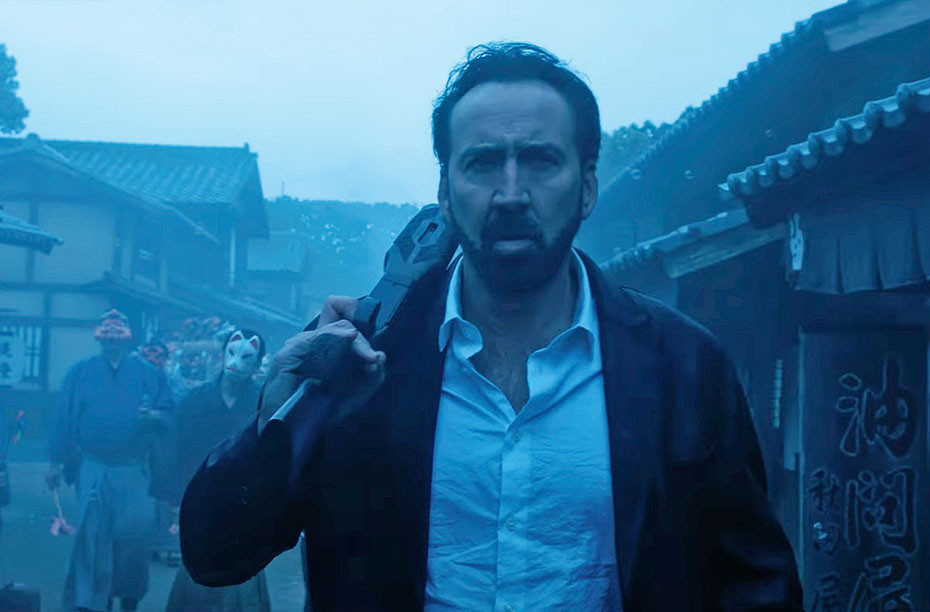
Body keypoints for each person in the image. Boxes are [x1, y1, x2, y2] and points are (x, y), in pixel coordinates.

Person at [181, 42, 803, 611]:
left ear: (587, 188)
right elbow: (215, 555)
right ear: (444, 193)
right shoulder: (363, 358)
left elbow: (756, 587)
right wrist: (276, 417)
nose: (510, 194)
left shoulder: (683, 366)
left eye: (540, 161)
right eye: (481, 164)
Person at [47, 309, 172, 612]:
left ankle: (129, 602)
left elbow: (170, 414)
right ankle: (92, 603)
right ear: (99, 337)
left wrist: (155, 416)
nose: (113, 335)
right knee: (91, 537)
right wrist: (56, 462)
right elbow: (64, 418)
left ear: (128, 338)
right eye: (107, 329)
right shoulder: (79, 373)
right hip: (94, 466)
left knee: (133, 539)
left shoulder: (150, 374)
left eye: (120, 328)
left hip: (134, 470)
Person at [154, 329, 271, 612]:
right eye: (231, 353)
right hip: (200, 499)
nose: (236, 362)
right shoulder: (194, 400)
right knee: (198, 567)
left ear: (257, 364)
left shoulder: (264, 404)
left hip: (244, 503)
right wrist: (175, 497)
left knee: (242, 571)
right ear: (222, 355)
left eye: (247, 357)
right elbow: (177, 450)